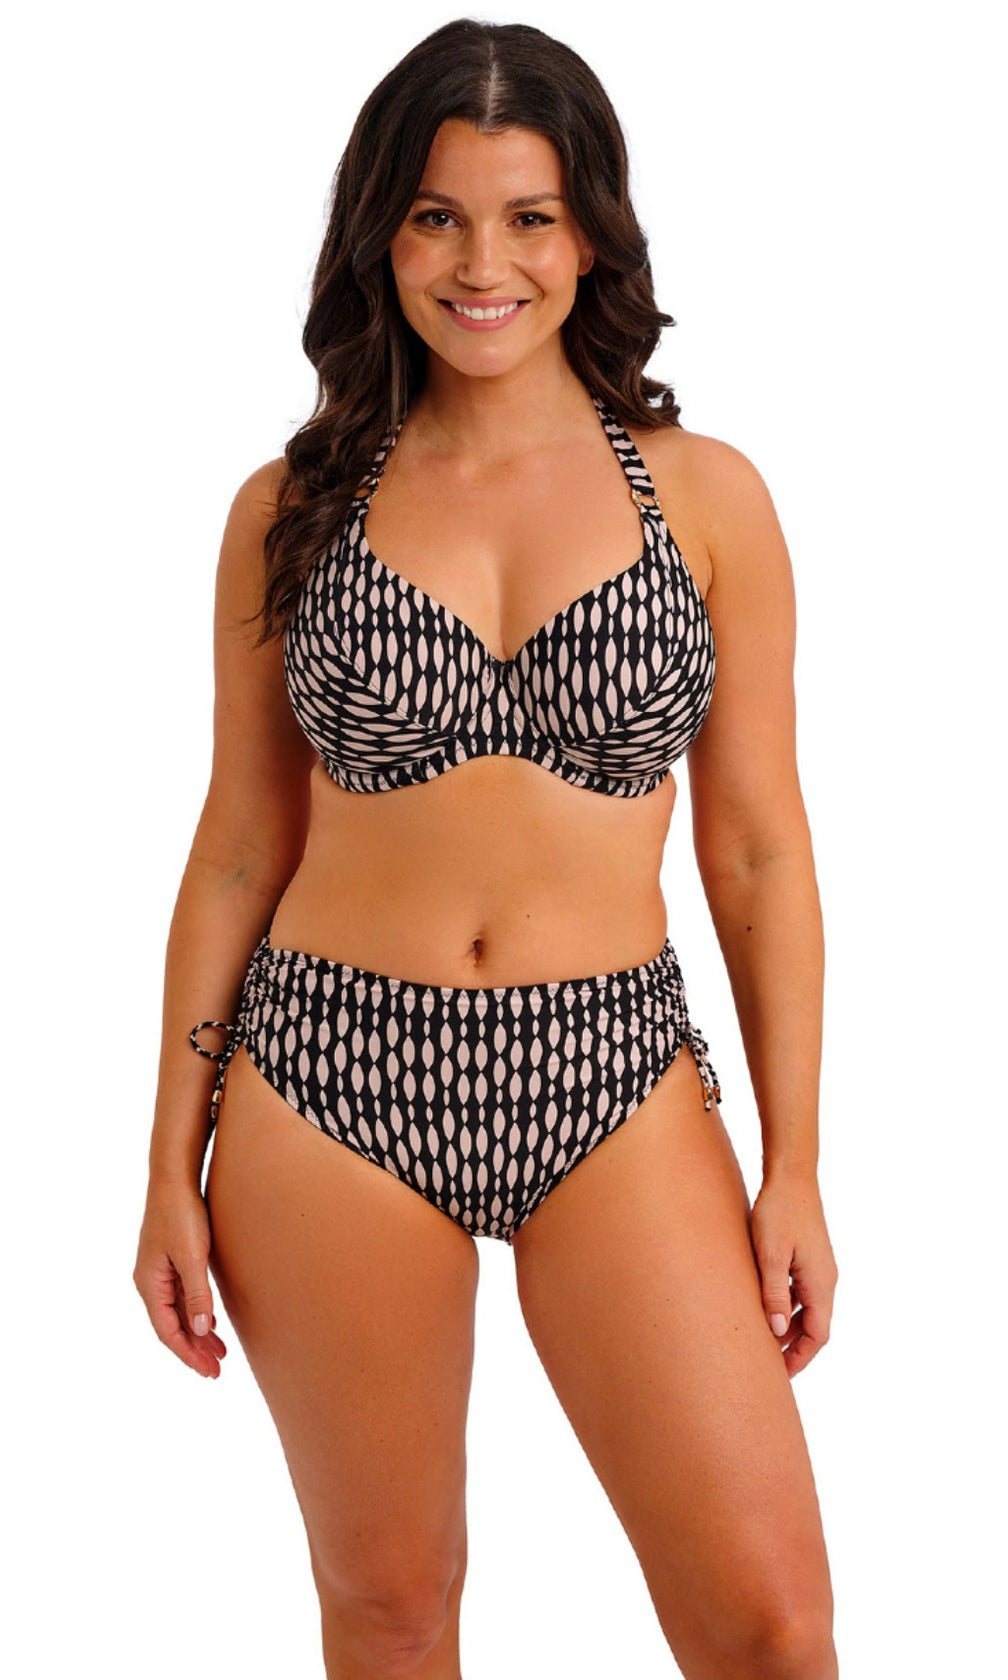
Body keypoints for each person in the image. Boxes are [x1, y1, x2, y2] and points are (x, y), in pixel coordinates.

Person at [133, 17, 839, 1679]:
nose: (481, 264)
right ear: (380, 235)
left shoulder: (705, 497)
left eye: (529, 216)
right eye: (436, 216)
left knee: (773, 1625)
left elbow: (755, 848)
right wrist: (167, 1158)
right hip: (328, 1080)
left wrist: (796, 1161)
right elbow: (239, 847)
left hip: (612, 1069)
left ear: (591, 237)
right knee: (392, 1611)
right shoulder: (292, 506)